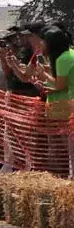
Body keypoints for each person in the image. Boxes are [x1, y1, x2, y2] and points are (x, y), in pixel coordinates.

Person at [36, 26, 74, 178]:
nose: (41, 45)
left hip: (65, 106)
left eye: (43, 42)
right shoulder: (68, 54)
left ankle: (69, 176)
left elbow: (60, 85)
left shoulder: (62, 59)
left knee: (66, 146)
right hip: (65, 104)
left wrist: (44, 74)